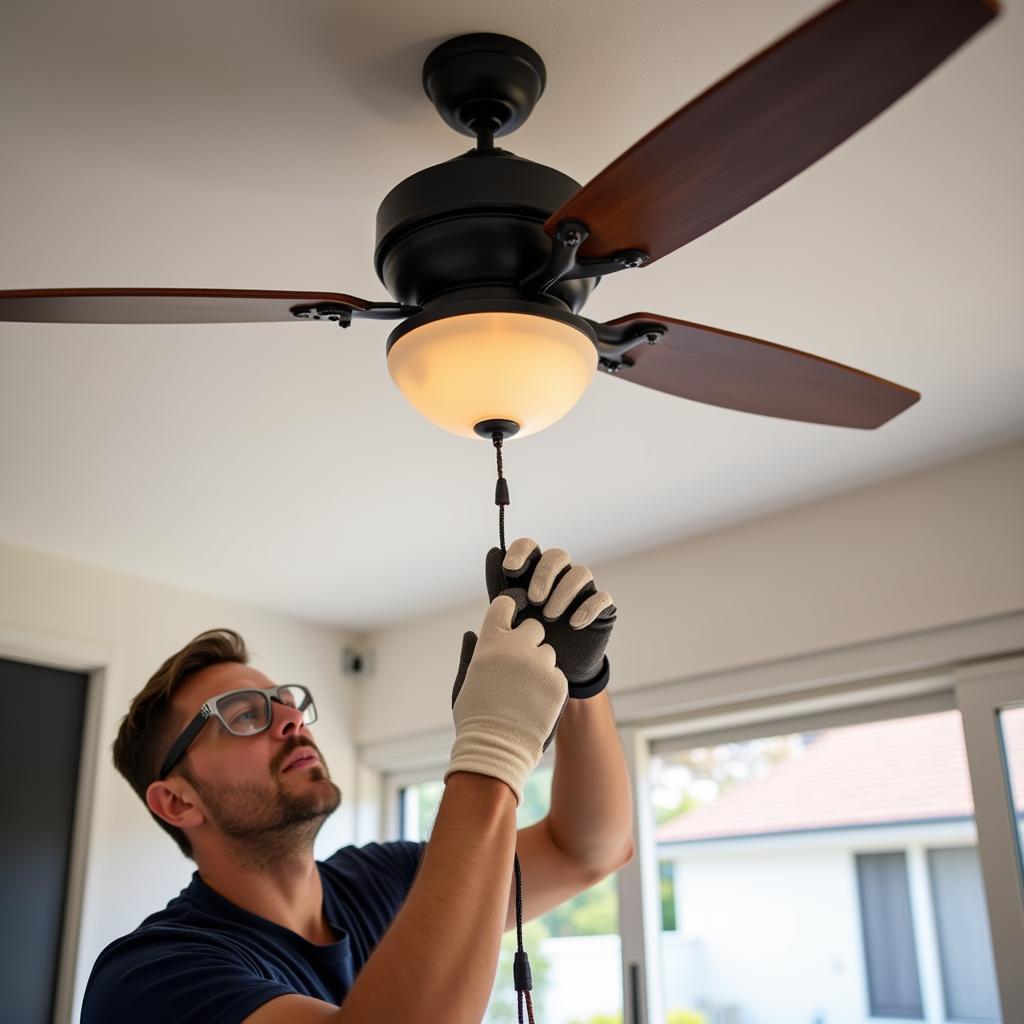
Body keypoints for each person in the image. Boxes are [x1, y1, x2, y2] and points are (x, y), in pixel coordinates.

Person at [81, 539, 635, 1023]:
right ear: (176, 802)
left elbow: (587, 849)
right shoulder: (150, 977)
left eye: (287, 701)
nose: (291, 719)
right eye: (244, 714)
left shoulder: (384, 882)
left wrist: (578, 682)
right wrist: (492, 746)